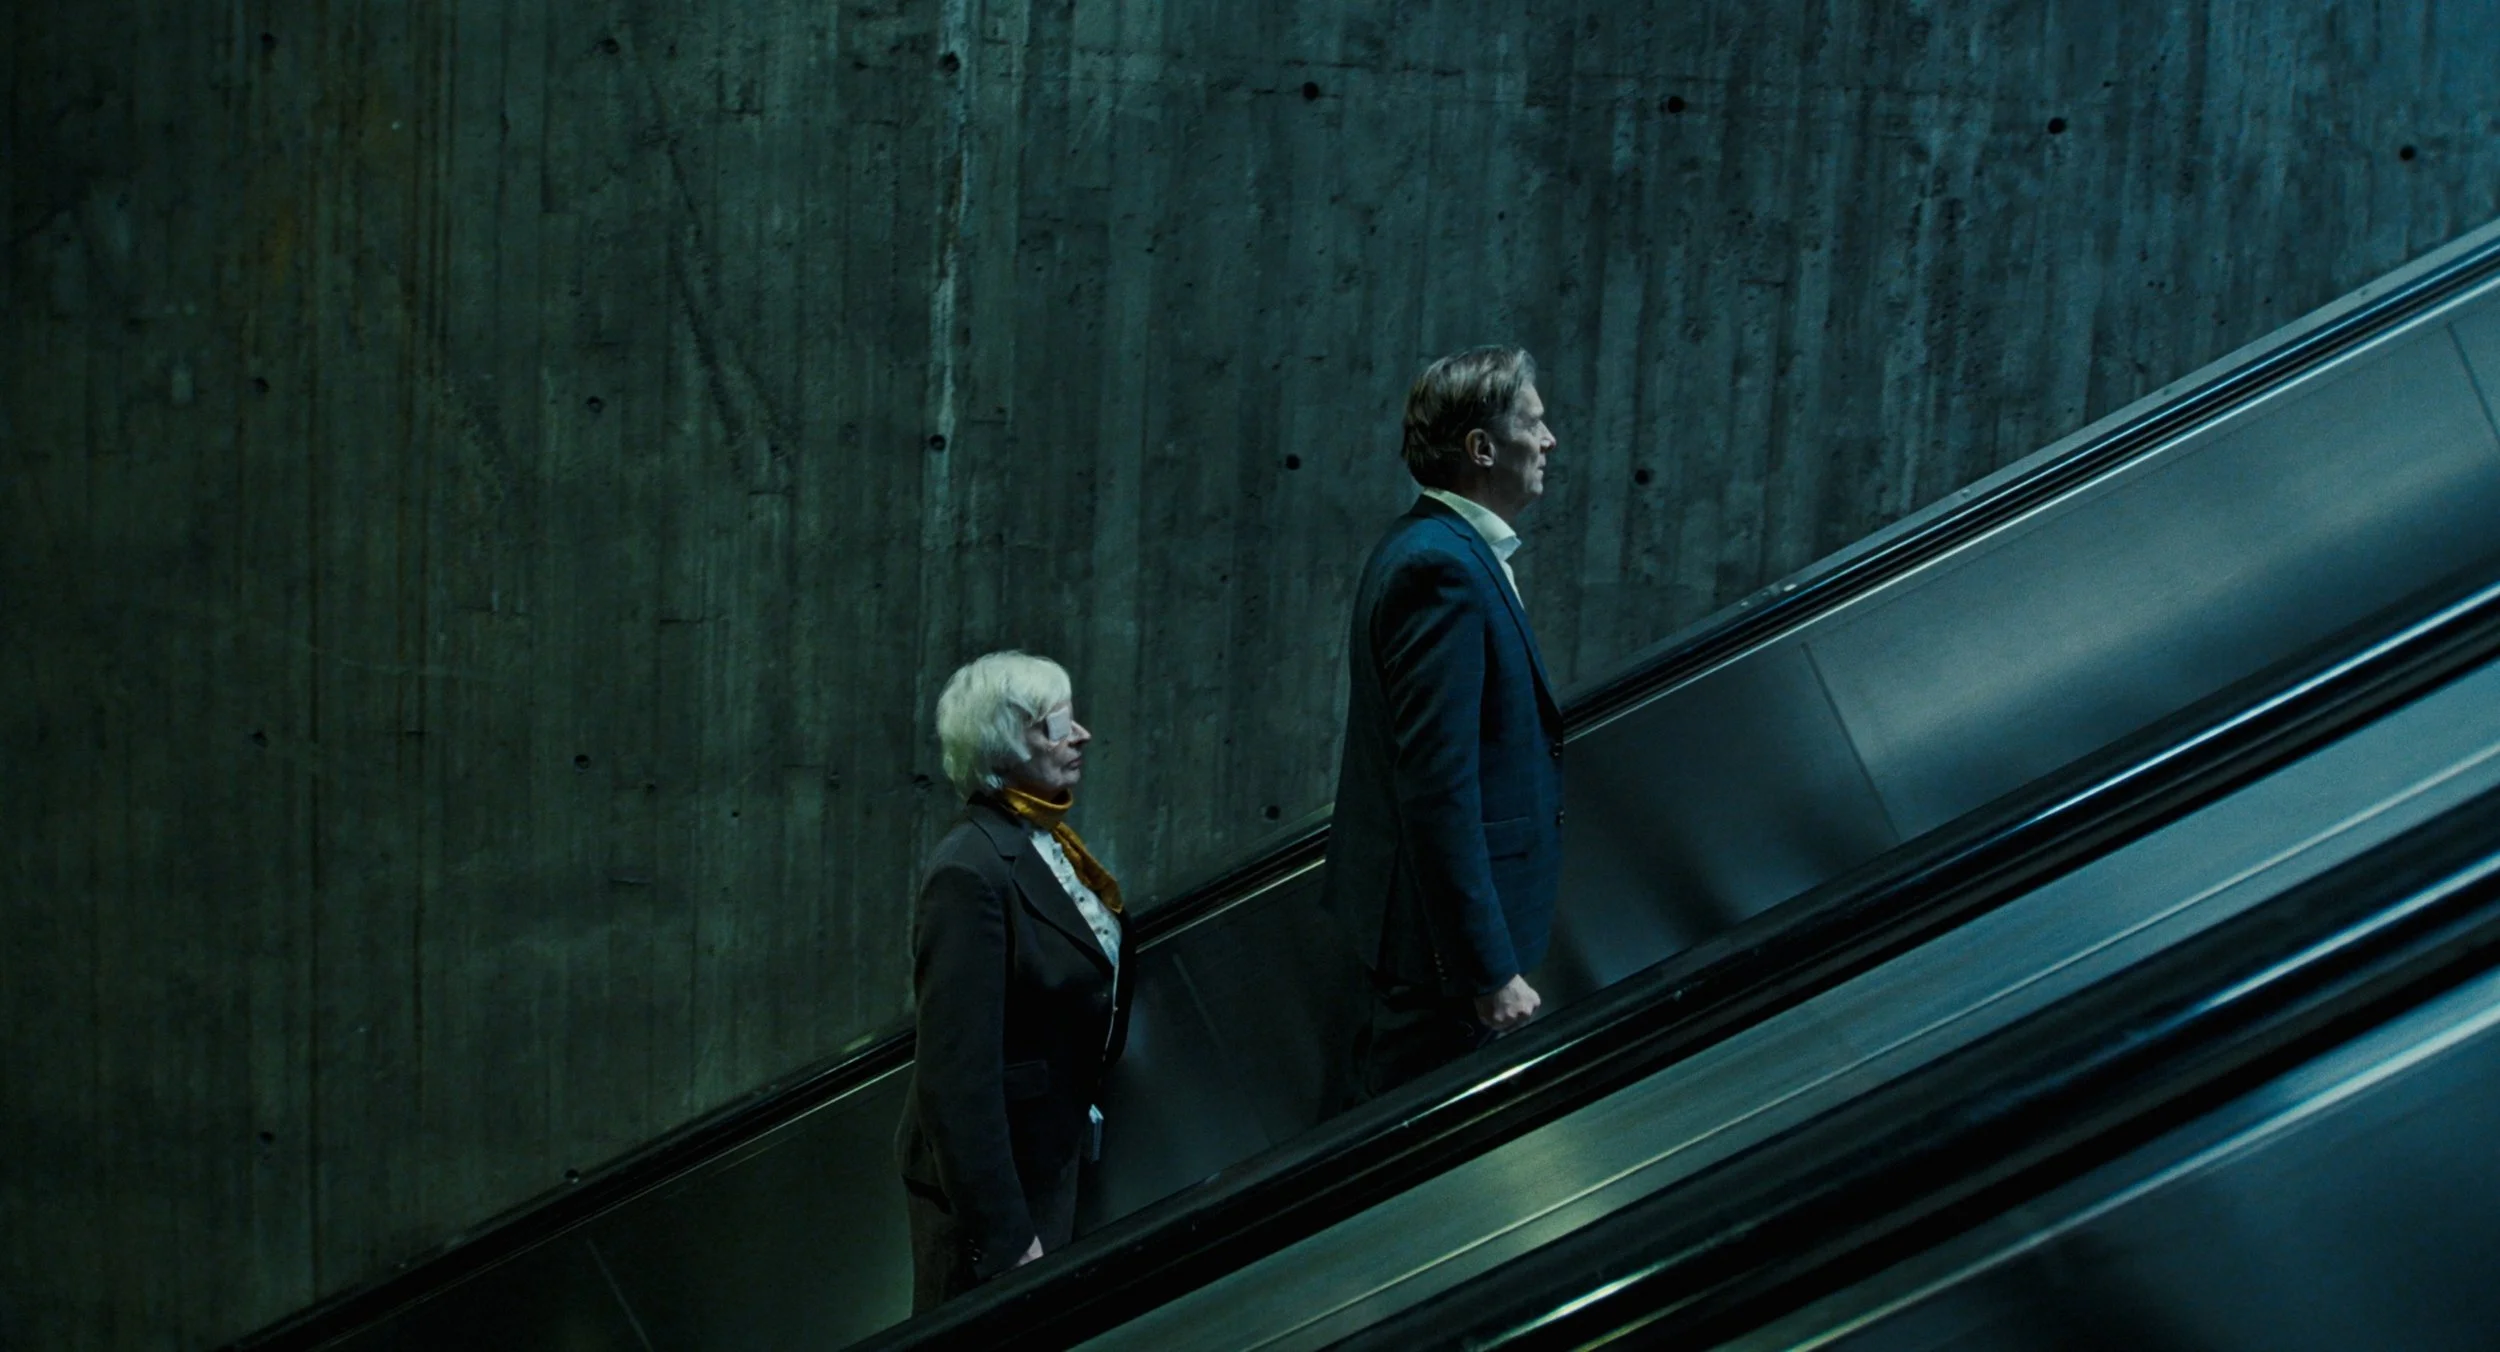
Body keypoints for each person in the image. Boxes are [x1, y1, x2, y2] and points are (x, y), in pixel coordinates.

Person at [1321, 344, 1565, 1105]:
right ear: (1482, 447)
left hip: (1431, 954)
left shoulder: (1438, 548)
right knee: (1394, 1176)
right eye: (1536, 420)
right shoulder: (1443, 569)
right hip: (1438, 967)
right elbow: (1438, 786)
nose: (1550, 439)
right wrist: (1487, 970)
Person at [895, 651, 1132, 1311]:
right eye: (1055, 726)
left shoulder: (1040, 839)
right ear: (1004, 747)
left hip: (1044, 1167)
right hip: (993, 1200)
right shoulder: (969, 872)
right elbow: (955, 1078)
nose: (1079, 735)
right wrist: (1006, 1241)